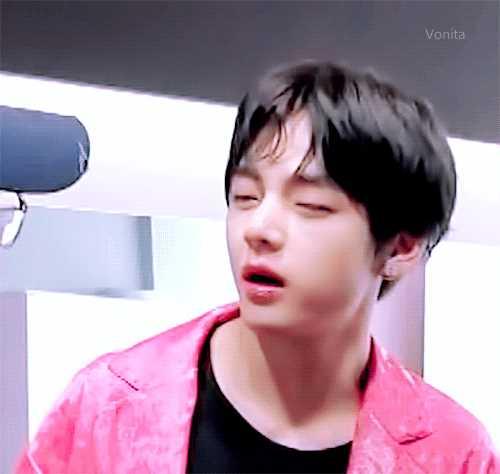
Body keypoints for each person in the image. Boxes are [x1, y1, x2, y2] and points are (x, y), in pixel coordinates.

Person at [15, 60, 499, 473]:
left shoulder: (454, 454)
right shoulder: (108, 406)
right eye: (246, 197)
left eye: (310, 206)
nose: (259, 229)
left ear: (400, 247)